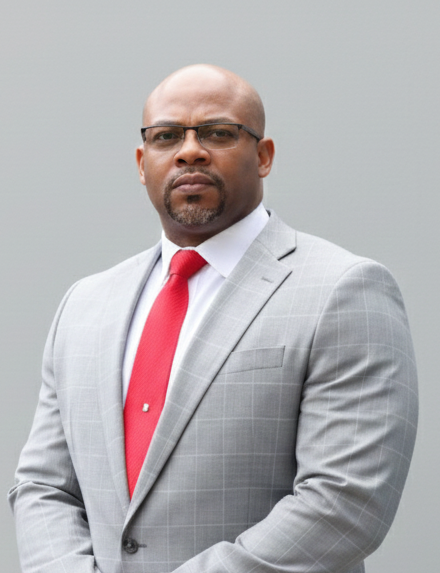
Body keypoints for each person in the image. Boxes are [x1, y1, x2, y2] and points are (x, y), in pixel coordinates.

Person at [9, 64, 418, 573]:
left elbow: (345, 504)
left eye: (218, 133)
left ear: (264, 156)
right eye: (166, 137)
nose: (190, 151)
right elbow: (44, 485)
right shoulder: (84, 305)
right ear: (142, 163)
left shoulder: (344, 290)